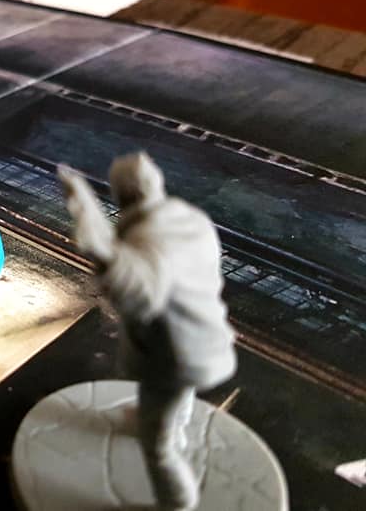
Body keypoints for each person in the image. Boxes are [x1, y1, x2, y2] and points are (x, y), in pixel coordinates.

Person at [59, 152, 237, 510]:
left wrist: (103, 249)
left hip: (173, 355)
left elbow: (142, 293)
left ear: (120, 195)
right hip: (209, 341)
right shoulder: (188, 217)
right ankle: (174, 426)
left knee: (157, 445)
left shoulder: (146, 236)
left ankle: (177, 501)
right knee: (175, 399)